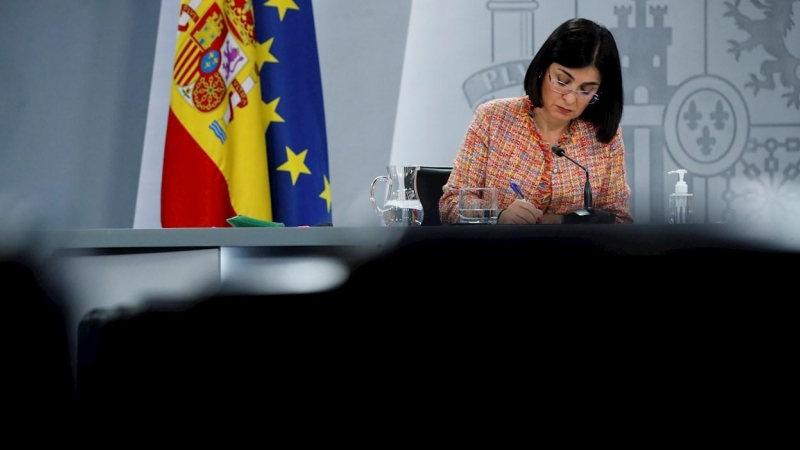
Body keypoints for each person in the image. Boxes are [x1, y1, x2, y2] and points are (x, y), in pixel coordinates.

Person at [439, 18, 633, 225]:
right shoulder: (493, 118)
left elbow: (621, 221)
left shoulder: (603, 137)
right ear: (542, 70)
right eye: (562, 81)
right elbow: (450, 206)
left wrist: (560, 222)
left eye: (585, 90)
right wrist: (499, 216)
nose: (569, 99)